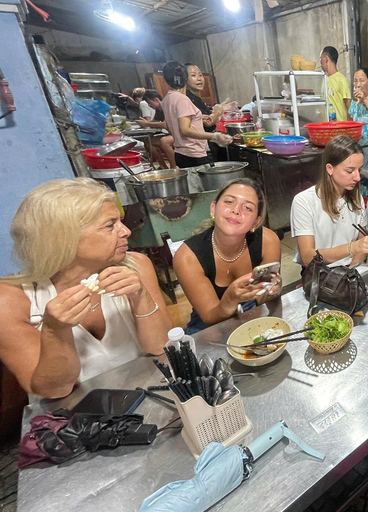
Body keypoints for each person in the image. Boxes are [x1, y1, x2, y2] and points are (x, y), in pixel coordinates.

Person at [0, 179, 172, 399]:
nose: (126, 231)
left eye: (120, 222)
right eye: (110, 225)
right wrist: (55, 331)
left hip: (149, 397)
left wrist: (141, 297)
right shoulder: (11, 300)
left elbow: (162, 347)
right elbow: (55, 390)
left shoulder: (135, 266)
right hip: (74, 414)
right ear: (64, 237)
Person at [174, 179, 282, 334]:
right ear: (213, 208)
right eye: (229, 202)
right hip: (210, 322)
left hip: (253, 310)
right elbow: (209, 317)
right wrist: (230, 299)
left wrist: (271, 291)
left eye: (247, 208)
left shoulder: (268, 241)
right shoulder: (187, 257)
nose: (236, 210)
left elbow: (264, 298)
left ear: (255, 222)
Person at [291, 135, 368, 267]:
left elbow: (361, 240)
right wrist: (352, 248)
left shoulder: (356, 197)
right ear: (330, 169)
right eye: (350, 171)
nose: (357, 177)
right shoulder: (304, 202)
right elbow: (307, 257)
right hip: (319, 271)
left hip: (350, 268)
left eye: (359, 170)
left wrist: (352, 269)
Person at [161, 61, 232, 168]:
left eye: (200, 75)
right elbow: (185, 130)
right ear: (185, 78)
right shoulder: (182, 99)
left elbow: (169, 125)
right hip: (194, 154)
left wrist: (197, 119)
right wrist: (215, 136)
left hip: (180, 153)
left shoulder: (167, 99)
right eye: (193, 75)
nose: (199, 78)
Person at [136, 90, 175, 169]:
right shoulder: (159, 110)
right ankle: (163, 166)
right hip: (171, 134)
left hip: (179, 134)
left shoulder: (167, 107)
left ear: (157, 100)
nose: (149, 106)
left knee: (164, 141)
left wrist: (146, 124)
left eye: (150, 103)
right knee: (148, 141)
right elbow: (154, 121)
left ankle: (174, 166)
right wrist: (144, 123)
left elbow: (165, 124)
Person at [320, 46, 351, 121]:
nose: (320, 62)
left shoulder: (341, 80)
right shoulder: (324, 79)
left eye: (321, 59)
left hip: (339, 126)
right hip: (325, 125)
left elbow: (349, 106)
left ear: (326, 59)